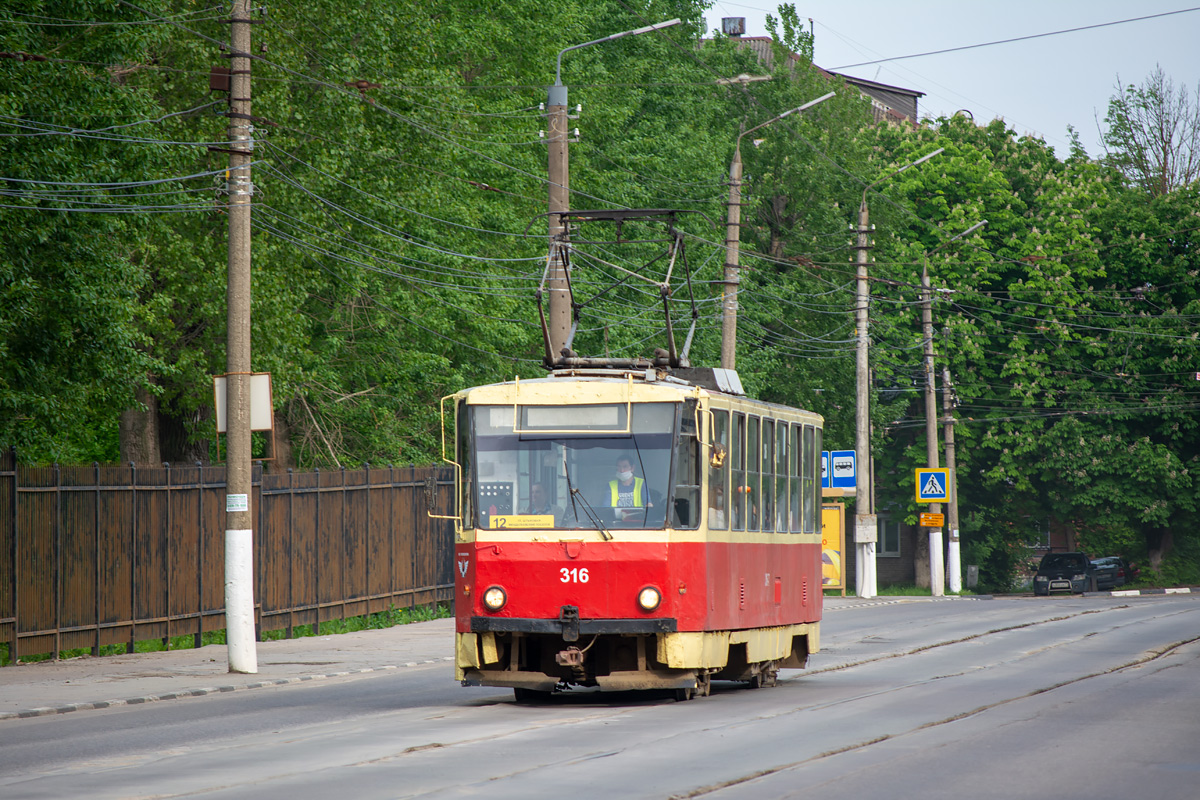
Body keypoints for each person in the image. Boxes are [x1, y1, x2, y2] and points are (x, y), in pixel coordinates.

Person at [609, 454, 650, 523]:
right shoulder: (610, 485)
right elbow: (605, 509)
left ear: (632, 468)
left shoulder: (641, 483)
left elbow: (648, 505)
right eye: (619, 467)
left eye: (625, 467)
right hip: (615, 524)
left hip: (639, 525)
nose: (621, 470)